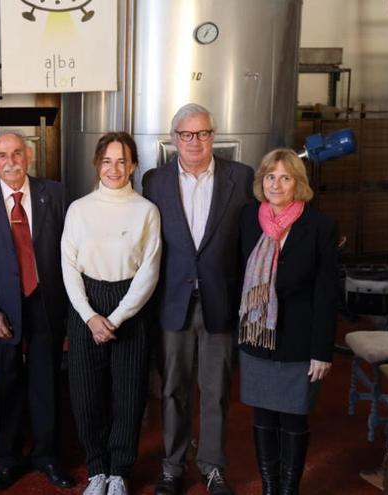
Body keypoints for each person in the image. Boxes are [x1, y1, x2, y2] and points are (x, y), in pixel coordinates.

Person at [142, 103, 255, 495]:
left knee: (216, 389)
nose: (195, 141)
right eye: (187, 135)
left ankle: (211, 466)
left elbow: (248, 248)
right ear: (174, 139)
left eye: (203, 133)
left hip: (220, 301)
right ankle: (173, 467)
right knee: (173, 389)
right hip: (172, 302)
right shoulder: (154, 181)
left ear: (214, 135)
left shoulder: (240, 178)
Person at [0, 130, 75, 491]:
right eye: (2, 155)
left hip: (46, 303)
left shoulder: (55, 195)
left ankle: (47, 456)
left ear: (28, 156)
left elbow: (73, 252)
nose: (11, 161)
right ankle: (7, 459)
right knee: (4, 386)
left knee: (46, 384)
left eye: (17, 153)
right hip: (0, 309)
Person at [61, 132, 161, 495]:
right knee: (86, 394)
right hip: (86, 302)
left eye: (122, 161)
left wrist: (116, 318)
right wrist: (89, 316)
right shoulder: (79, 209)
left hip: (129, 305)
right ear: (97, 165)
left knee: (129, 393)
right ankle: (97, 469)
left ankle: (119, 471)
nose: (114, 168)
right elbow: (68, 266)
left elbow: (149, 272)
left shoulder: (146, 211)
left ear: (134, 165)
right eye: (107, 161)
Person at [238, 149, 337, 495]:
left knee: (294, 416)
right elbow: (238, 275)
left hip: (299, 339)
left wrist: (322, 350)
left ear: (299, 183)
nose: (276, 184)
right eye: (270, 176)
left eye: (285, 177)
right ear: (261, 181)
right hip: (257, 335)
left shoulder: (319, 226)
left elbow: (327, 293)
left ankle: (289, 489)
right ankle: (269, 487)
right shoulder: (248, 219)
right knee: (263, 415)